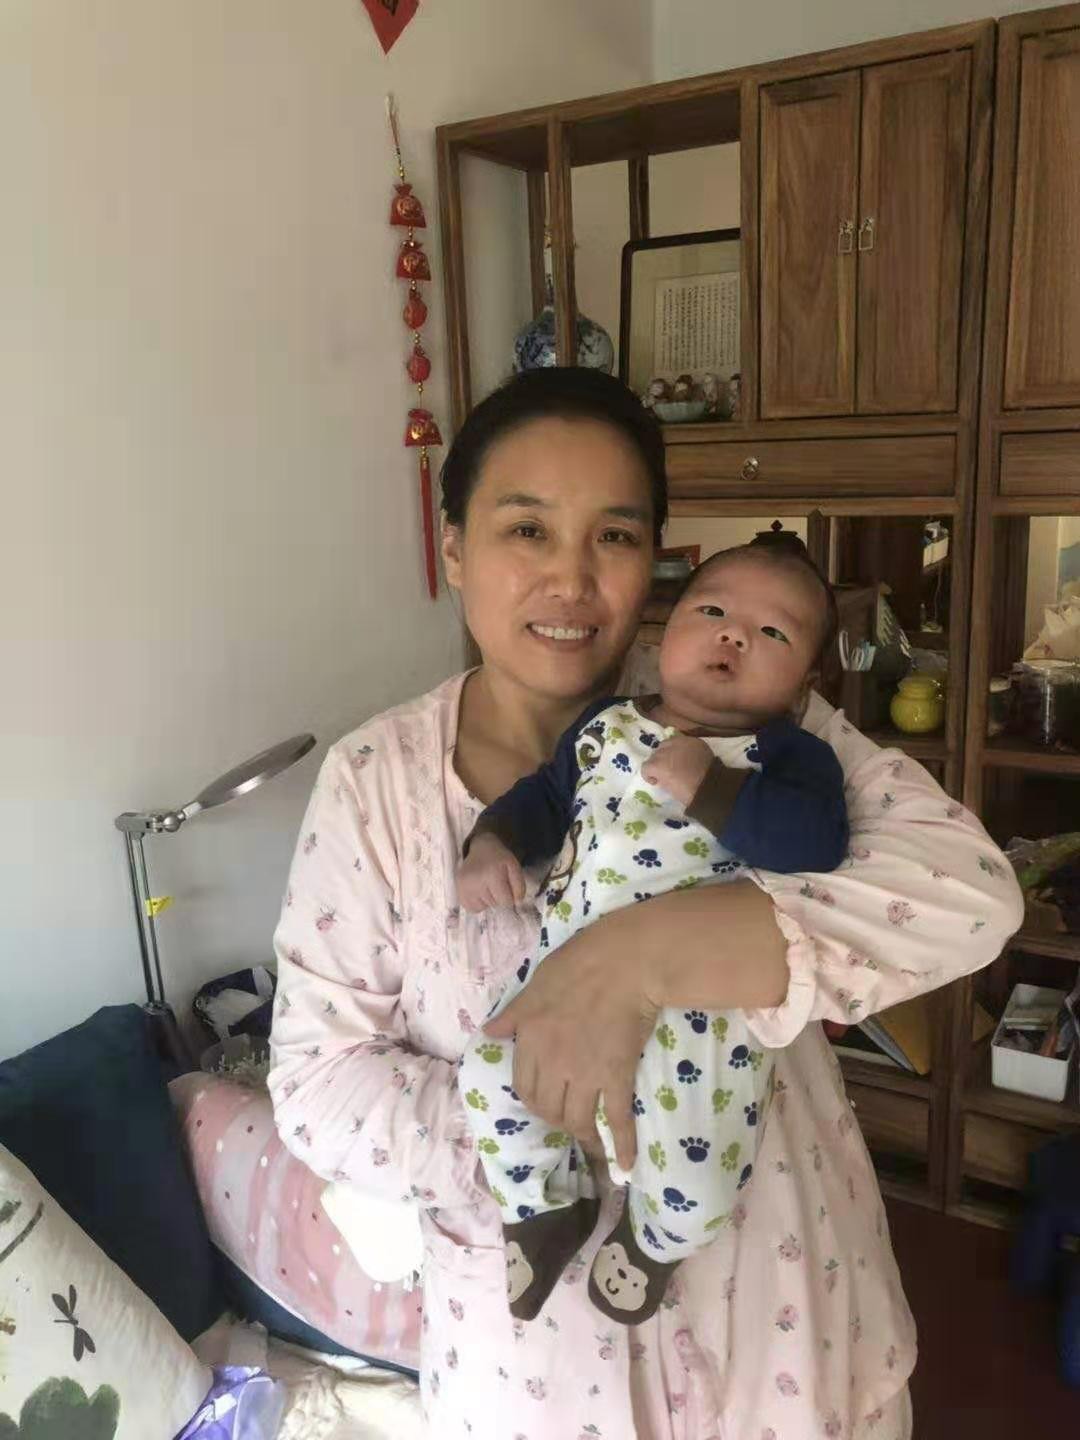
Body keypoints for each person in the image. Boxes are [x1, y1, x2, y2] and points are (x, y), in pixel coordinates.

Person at [269, 367, 1022, 1440]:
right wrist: (547, 1123)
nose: (571, 580)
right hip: (540, 1372)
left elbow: (972, 895)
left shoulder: (757, 721)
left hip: (784, 1319)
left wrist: (642, 955)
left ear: (656, 561)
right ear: (455, 550)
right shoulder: (375, 783)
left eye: (614, 537)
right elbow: (315, 1085)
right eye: (527, 530)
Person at [456, 538, 850, 1326]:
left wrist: (715, 790)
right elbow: (543, 799)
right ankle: (542, 1208)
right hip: (564, 972)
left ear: (804, 686)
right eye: (713, 610)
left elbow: (817, 845)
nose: (733, 635)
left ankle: (656, 1244)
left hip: (703, 1014)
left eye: (773, 632)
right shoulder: (605, 726)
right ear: (662, 635)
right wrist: (491, 842)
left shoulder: (788, 755)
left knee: (699, 1175)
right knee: (488, 1074)